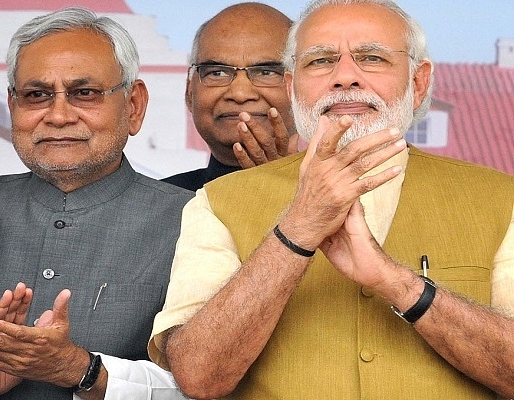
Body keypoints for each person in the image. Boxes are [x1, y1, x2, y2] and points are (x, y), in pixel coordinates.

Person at [148, 0, 514, 399]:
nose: (344, 78)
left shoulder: (500, 198)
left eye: (371, 58)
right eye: (320, 61)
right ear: (291, 87)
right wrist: (297, 230)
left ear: (419, 82)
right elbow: (198, 377)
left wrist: (398, 283)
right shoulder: (218, 202)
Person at [0, 7, 192, 400]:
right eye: (37, 95)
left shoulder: (194, 220)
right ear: (13, 106)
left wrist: (83, 370)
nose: (58, 115)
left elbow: (207, 382)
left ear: (133, 106)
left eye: (84, 93)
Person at [162, 2, 298, 191]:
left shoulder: (343, 197)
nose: (240, 94)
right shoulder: (154, 205)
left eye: (266, 72)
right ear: (189, 92)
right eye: (217, 73)